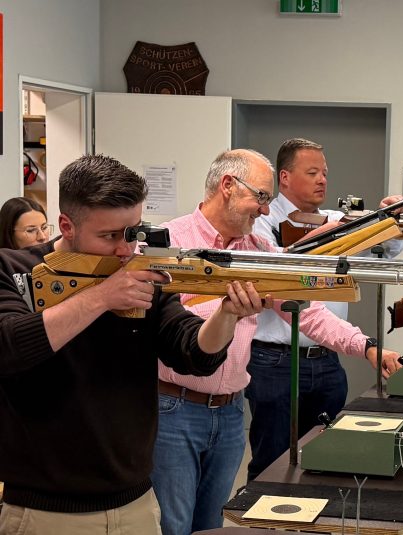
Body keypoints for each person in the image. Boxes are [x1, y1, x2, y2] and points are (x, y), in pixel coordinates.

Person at [0, 154, 266, 535]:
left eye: (133, 232)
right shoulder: (13, 270)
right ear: (66, 226)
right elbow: (9, 347)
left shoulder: (136, 277)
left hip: (136, 507)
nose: (125, 250)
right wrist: (103, 297)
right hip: (45, 513)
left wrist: (227, 315)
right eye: (109, 236)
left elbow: (191, 350)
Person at [150, 149, 401, 535]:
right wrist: (223, 308)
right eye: (262, 197)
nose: (266, 211)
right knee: (173, 525)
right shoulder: (168, 242)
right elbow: (160, 325)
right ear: (228, 186)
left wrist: (366, 346)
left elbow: (309, 313)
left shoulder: (259, 249)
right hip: (174, 409)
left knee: (211, 525)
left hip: (230, 412)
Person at [247, 138, 403, 479]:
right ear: (285, 177)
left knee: (324, 460)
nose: (323, 180)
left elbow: (385, 252)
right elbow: (276, 268)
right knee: (270, 461)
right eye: (313, 172)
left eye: (325, 173)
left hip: (327, 358)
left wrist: (391, 219)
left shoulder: (335, 219)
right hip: (274, 360)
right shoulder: (260, 220)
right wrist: (326, 237)